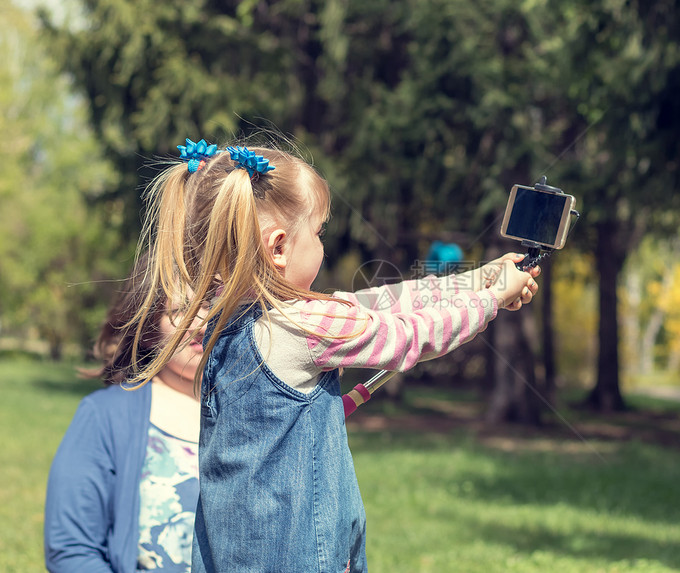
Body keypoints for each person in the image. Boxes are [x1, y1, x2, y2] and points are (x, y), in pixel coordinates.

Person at [127, 138, 541, 573]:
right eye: (319, 232)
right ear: (279, 247)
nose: (323, 245)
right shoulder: (303, 325)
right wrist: (491, 299)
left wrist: (479, 280)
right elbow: (408, 335)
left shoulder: (223, 319)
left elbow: (380, 302)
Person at [44, 252, 207, 572]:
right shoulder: (104, 416)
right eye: (179, 311)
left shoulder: (260, 411)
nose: (200, 322)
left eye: (210, 302)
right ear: (148, 332)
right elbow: (72, 551)